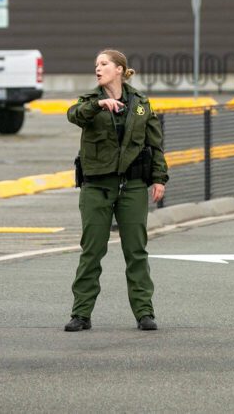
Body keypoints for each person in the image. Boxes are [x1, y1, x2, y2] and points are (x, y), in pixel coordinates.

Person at [65, 49, 169, 332]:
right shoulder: (89, 102)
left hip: (132, 186)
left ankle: (144, 312)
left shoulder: (140, 104)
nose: (98, 68)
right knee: (92, 251)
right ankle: (81, 314)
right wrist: (100, 105)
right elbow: (73, 115)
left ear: (120, 69)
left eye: (104, 64)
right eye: (96, 64)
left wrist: (159, 178)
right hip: (97, 185)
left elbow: (154, 144)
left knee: (136, 251)